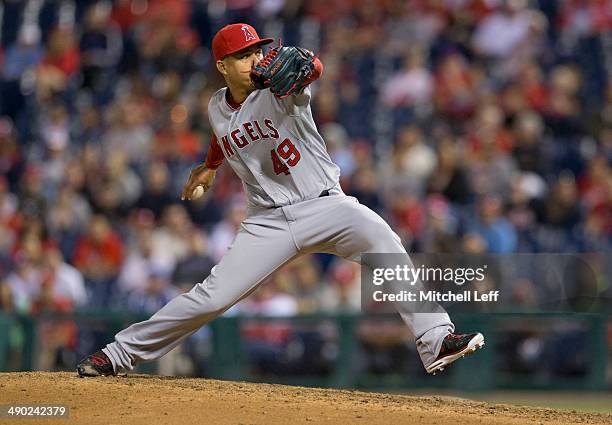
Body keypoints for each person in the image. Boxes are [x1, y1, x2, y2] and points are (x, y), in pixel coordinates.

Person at [77, 23, 484, 377]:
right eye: (242, 55)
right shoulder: (215, 105)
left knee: (383, 238)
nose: (254, 59)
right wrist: (209, 166)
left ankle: (435, 339)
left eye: (256, 50)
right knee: (210, 299)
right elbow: (226, 133)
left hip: (325, 205)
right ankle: (117, 354)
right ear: (222, 66)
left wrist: (309, 62)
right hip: (266, 222)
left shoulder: (280, 89)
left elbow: (311, 69)